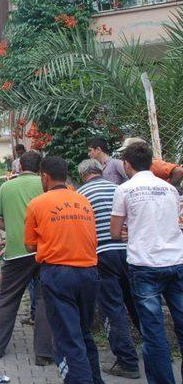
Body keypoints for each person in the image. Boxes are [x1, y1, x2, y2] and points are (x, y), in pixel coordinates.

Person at [24, 156, 104, 384]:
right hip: (89, 271)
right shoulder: (83, 201)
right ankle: (95, 379)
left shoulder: (37, 203)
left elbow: (30, 245)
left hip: (59, 274)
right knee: (83, 331)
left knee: (68, 338)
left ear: (45, 176)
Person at [110, 142, 183, 384]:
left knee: (153, 333)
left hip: (145, 265)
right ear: (151, 163)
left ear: (127, 164)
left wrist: (130, 231)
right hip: (176, 260)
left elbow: (114, 232)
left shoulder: (124, 190)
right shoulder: (169, 189)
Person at [0, 151, 53, 365]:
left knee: (8, 299)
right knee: (44, 301)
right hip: (44, 250)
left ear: (19, 166)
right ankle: (43, 354)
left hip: (16, 252)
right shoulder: (45, 185)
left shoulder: (7, 187)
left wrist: (13, 228)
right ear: (41, 168)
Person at [77, 159, 140, 379]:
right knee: (136, 300)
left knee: (112, 306)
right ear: (101, 171)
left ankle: (127, 361)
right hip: (128, 250)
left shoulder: (80, 195)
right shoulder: (119, 188)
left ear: (83, 175)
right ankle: (157, 349)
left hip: (102, 254)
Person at [118, 137, 183, 187]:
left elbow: (179, 171)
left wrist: (167, 187)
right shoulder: (133, 165)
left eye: (126, 150)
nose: (124, 154)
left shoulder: (153, 163)